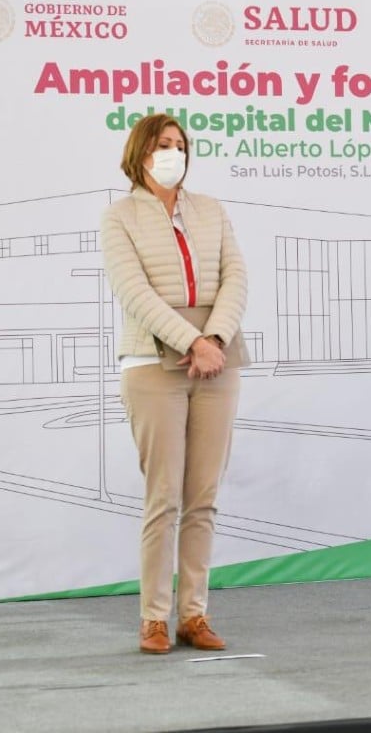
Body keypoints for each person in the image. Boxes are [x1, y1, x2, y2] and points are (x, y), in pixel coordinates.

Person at [101, 114, 247, 654]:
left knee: (202, 497)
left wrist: (215, 338)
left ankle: (194, 614)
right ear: (141, 153)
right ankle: (154, 618)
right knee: (163, 497)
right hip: (151, 361)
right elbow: (133, 291)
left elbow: (236, 276)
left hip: (217, 356)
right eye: (164, 145)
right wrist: (192, 342)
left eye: (181, 145)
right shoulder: (119, 217)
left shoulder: (211, 210)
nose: (174, 153)